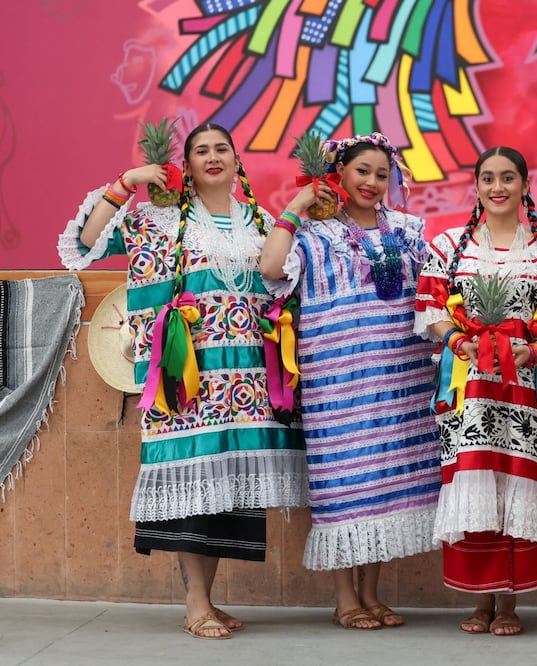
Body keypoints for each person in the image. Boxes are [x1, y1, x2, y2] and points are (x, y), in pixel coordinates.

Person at [57, 122, 309, 640]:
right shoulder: (160, 220)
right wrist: (127, 182)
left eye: (222, 149)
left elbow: (283, 282)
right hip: (188, 380)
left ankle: (209, 601)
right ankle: (196, 604)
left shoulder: (261, 222)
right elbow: (83, 243)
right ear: (186, 166)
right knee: (194, 488)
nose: (213, 157)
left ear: (238, 161)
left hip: (247, 382)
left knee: (225, 492)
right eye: (201, 151)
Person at [258, 132, 440, 630]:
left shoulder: (409, 228)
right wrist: (298, 204)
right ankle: (345, 600)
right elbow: (269, 267)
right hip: (338, 383)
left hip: (401, 377)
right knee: (343, 484)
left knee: (384, 482)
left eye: (382, 174)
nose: (373, 182)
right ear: (339, 173)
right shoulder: (313, 235)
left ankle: (372, 595)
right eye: (362, 171)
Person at [414, 147, 537, 636]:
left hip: (525, 388)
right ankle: (480, 600)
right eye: (488, 178)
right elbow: (430, 307)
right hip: (468, 391)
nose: (498, 187)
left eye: (508, 177)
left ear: (526, 185)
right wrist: (456, 339)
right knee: (474, 483)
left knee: (516, 481)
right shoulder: (448, 248)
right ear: (477, 185)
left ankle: (510, 604)